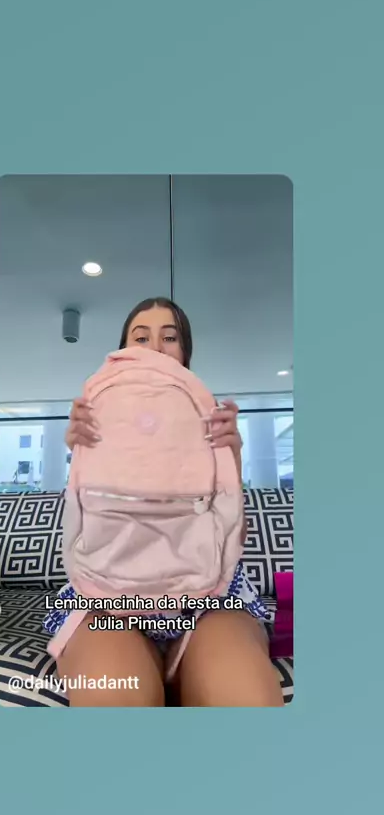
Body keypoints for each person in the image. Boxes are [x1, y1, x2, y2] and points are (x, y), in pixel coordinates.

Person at [45, 297, 284, 707]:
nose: (155, 347)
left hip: (211, 599)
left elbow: (233, 535)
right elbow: (85, 521)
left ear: (185, 353)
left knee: (245, 700)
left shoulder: (208, 418)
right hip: (105, 599)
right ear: (122, 352)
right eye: (141, 337)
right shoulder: (100, 413)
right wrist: (82, 454)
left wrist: (232, 460)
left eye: (169, 338)